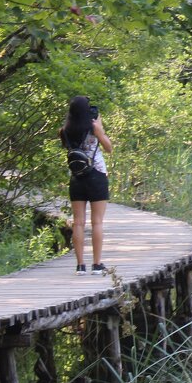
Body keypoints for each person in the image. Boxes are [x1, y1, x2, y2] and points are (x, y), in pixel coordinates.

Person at [59, 95, 113, 275]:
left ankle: (80, 265)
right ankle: (97, 264)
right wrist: (100, 131)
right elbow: (108, 148)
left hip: (76, 178)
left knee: (78, 223)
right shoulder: (93, 128)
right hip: (96, 175)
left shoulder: (64, 131)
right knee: (97, 222)